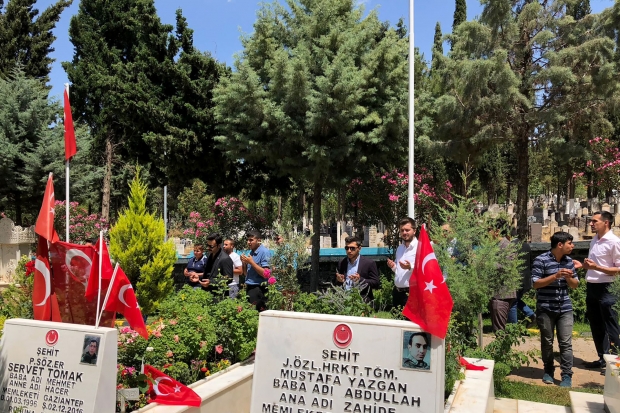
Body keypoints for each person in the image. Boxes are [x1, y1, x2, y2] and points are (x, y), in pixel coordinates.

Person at [531, 231, 579, 387]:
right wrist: (555, 276)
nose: (572, 246)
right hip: (546, 308)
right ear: (560, 245)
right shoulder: (541, 260)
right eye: (570, 243)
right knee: (547, 341)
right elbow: (535, 284)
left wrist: (568, 277)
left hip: (565, 307)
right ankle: (548, 370)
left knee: (566, 343)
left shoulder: (569, 261)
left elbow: (575, 285)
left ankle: (567, 375)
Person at [581, 211, 620, 369]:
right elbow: (594, 266)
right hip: (592, 286)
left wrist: (596, 267)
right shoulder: (594, 240)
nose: (591, 224)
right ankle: (603, 358)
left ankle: (616, 363)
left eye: (594, 221)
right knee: (596, 325)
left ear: (606, 223)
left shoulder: (614, 242)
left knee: (611, 326)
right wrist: (584, 266)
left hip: (607, 287)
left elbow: (618, 269)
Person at [489, 218, 517, 332]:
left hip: (502, 293)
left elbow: (506, 266)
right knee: (498, 328)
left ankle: (504, 344)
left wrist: (484, 263)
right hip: (495, 292)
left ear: (497, 231)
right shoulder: (494, 245)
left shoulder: (507, 246)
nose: (487, 233)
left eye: (489, 230)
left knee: (500, 330)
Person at [335, 236, 380, 302]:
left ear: (359, 248)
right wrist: (339, 280)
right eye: (347, 248)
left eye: (352, 248)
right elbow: (336, 283)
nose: (349, 251)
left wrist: (360, 280)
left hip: (362, 302)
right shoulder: (342, 263)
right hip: (345, 301)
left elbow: (376, 283)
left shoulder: (369, 263)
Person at [387, 218, 418, 308]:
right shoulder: (400, 248)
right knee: (396, 317)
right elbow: (399, 269)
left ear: (414, 231)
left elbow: (425, 268)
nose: (404, 233)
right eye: (402, 230)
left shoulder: (420, 247)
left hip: (412, 292)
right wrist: (393, 266)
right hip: (397, 292)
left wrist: (410, 267)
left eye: (407, 230)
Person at [508, 241, 537, 327]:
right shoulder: (526, 245)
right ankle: (531, 315)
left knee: (512, 302)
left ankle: (513, 328)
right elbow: (531, 262)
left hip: (515, 279)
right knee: (515, 300)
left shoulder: (509, 245)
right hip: (525, 279)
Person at [241, 230, 271, 310]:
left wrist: (251, 262)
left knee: (258, 313)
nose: (248, 242)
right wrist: (244, 263)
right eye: (248, 240)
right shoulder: (251, 253)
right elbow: (245, 274)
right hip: (250, 287)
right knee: (250, 313)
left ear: (258, 240)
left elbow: (266, 274)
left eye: (251, 240)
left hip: (259, 288)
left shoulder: (264, 252)